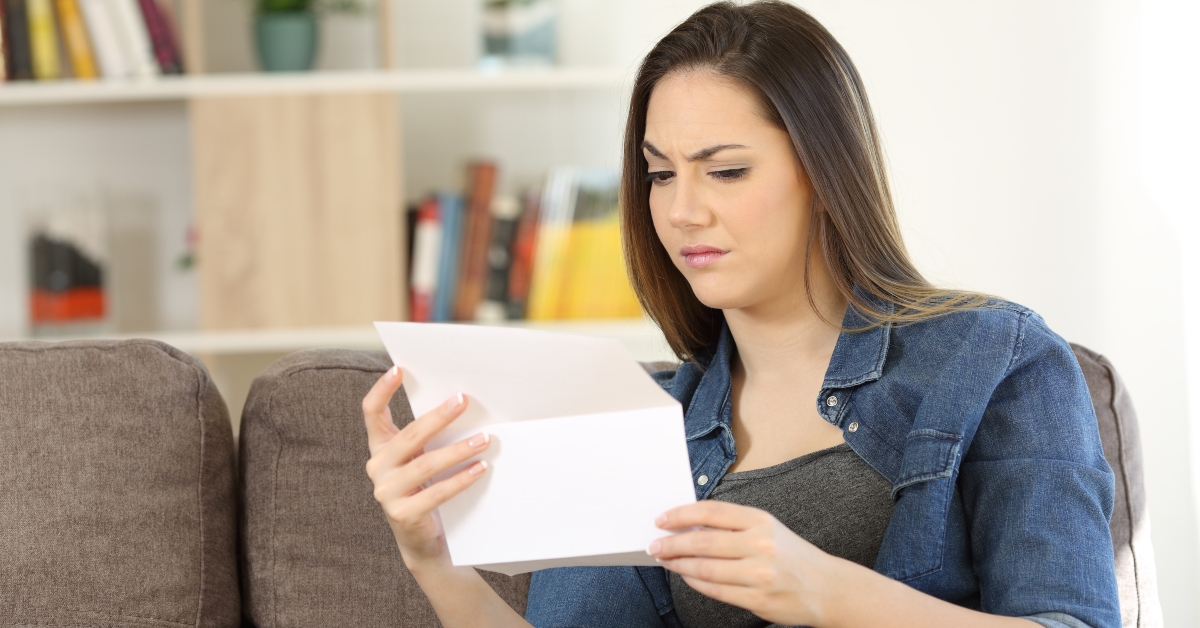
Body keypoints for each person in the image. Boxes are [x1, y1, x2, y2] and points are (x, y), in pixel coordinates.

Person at [360, 2, 1120, 627]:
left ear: (824, 172)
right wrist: (434, 558)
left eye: (725, 171)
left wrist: (831, 595)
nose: (682, 211)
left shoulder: (993, 359)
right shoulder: (637, 420)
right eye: (660, 175)